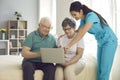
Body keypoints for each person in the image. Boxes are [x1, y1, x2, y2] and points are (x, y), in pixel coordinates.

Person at [64, 1, 118, 80]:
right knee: (99, 69)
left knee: (104, 70)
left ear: (81, 11)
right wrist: (66, 34)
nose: (74, 17)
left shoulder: (91, 16)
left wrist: (68, 45)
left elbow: (81, 34)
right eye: (72, 15)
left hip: (109, 41)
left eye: (75, 14)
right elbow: (76, 32)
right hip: (100, 42)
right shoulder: (83, 20)